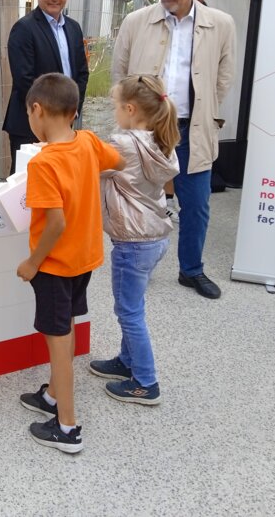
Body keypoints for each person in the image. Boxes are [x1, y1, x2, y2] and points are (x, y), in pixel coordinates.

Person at [113, 0, 236, 300]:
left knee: (196, 204)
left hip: (191, 128)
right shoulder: (137, 22)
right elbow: (121, 72)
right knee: (139, 199)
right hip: (145, 131)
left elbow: (224, 76)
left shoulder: (221, 24)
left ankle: (191, 269)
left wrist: (207, 111)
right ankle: (138, 263)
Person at [15, 73, 123, 454]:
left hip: (54, 266)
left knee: (58, 342)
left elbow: (55, 223)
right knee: (68, 325)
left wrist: (32, 262)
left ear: (37, 110)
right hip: (84, 259)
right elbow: (118, 160)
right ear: (74, 112)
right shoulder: (88, 141)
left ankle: (68, 426)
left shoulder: (43, 163)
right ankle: (52, 395)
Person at [89, 75, 180, 406]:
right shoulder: (160, 141)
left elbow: (90, 165)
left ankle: (145, 382)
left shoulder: (123, 145)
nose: (113, 111)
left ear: (130, 109)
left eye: (115, 106)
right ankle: (126, 361)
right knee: (132, 305)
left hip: (132, 242)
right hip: (154, 237)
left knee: (129, 312)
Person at [4, 0, 89, 174]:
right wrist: (54, 115)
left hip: (65, 121)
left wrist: (71, 109)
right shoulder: (24, 29)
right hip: (31, 123)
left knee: (59, 178)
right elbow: (25, 80)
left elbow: (81, 73)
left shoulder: (73, 28)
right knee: (26, 182)